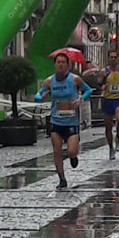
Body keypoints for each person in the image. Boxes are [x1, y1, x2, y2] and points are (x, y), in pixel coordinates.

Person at [35, 53, 92, 190]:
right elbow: (38, 95)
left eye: (63, 62)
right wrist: (41, 97)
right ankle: (61, 178)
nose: (60, 64)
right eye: (58, 62)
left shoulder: (75, 79)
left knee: (71, 151)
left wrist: (80, 99)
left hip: (71, 122)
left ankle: (73, 157)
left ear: (67, 65)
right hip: (56, 121)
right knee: (57, 151)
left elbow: (88, 90)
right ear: (54, 65)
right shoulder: (49, 81)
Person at [98, 50, 119, 160]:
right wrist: (102, 87)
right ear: (108, 59)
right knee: (108, 127)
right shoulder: (104, 72)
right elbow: (99, 83)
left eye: (115, 57)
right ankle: (111, 148)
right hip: (107, 100)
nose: (113, 59)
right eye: (111, 57)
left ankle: (118, 137)